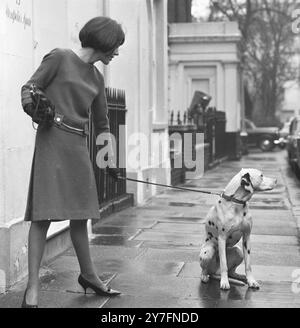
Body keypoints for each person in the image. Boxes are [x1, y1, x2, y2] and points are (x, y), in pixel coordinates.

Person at [20, 16, 125, 308]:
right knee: (43, 215)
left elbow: (103, 125)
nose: (116, 53)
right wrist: (34, 106)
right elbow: (29, 88)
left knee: (81, 214)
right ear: (103, 41)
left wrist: (110, 160)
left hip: (78, 146)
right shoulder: (59, 58)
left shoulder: (97, 77)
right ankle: (32, 289)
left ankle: (89, 275)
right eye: (115, 46)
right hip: (52, 141)